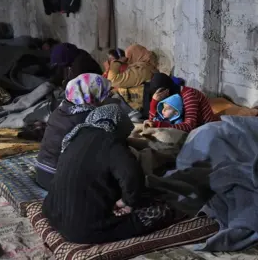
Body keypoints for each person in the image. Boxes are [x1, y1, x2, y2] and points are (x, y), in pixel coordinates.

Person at [42, 104, 175, 244]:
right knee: (162, 210)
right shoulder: (111, 142)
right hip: (82, 229)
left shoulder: (74, 136)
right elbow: (132, 177)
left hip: (52, 212)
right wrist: (126, 202)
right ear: (119, 124)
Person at [35, 73, 112, 190]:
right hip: (60, 180)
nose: (106, 97)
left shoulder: (61, 109)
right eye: (104, 94)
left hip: (42, 173)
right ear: (92, 94)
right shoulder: (88, 118)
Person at [145, 73, 218, 132]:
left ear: (166, 92)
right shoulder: (169, 98)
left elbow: (190, 126)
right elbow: (153, 121)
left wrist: (160, 125)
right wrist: (153, 103)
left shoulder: (189, 95)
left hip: (206, 129)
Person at [106, 44, 158, 113]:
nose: (127, 60)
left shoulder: (142, 70)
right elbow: (121, 86)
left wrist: (118, 62)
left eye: (129, 57)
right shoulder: (141, 68)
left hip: (135, 110)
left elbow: (112, 80)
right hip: (130, 107)